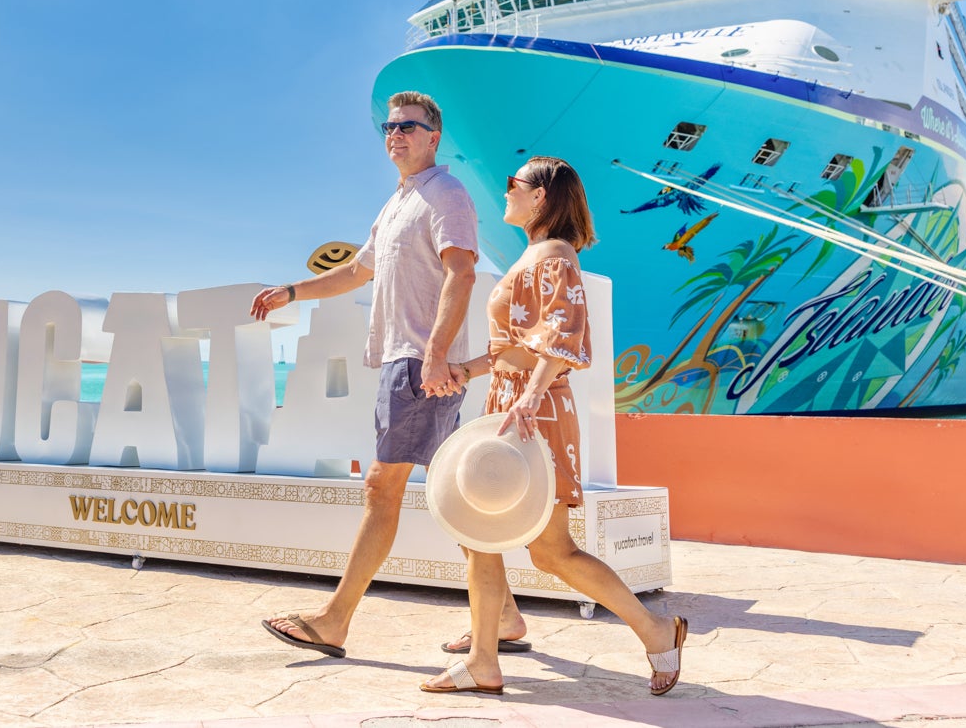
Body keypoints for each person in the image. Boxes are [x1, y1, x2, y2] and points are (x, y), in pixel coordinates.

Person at [422, 156, 688, 697]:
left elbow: (564, 335)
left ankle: (654, 629)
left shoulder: (553, 255)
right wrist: (463, 371)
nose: (506, 192)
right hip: (514, 402)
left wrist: (531, 393)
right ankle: (487, 651)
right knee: (483, 532)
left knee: (546, 549)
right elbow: (516, 347)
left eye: (513, 184)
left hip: (532, 412)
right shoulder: (535, 254)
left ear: (540, 195)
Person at [250, 90, 478, 659]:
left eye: (408, 126)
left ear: (434, 137)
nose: (395, 134)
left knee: (383, 486)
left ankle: (334, 621)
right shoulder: (398, 202)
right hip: (407, 360)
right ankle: (503, 617)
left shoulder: (446, 193)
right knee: (449, 491)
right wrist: (293, 291)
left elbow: (462, 274)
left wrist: (435, 353)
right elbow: (356, 271)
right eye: (389, 127)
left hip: (420, 362)